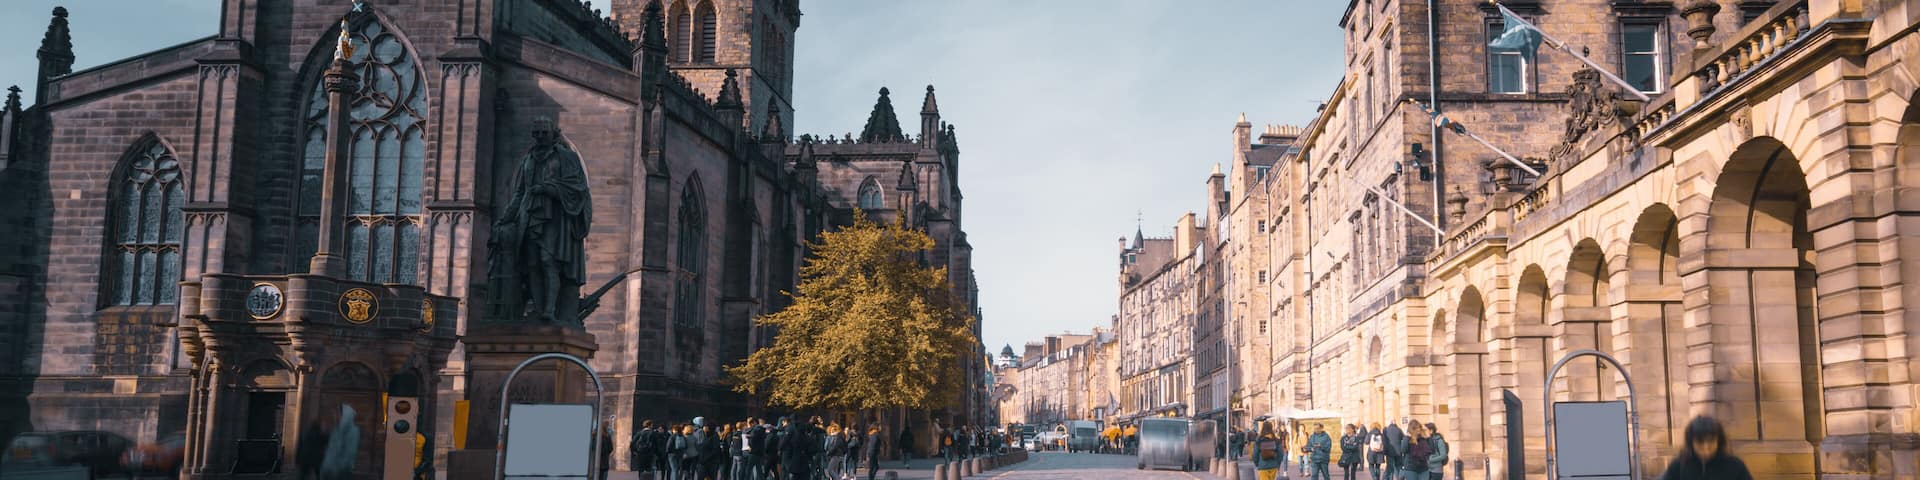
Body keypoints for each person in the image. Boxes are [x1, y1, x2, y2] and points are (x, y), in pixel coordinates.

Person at [1656, 416, 1753, 480]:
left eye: (1711, 442)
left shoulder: (1735, 466)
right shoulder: (1679, 466)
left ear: (1718, 441)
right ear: (1691, 443)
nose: (1706, 448)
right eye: (1700, 443)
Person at [318, 405, 361, 480]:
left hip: (339, 473)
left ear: (345, 415)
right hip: (329, 472)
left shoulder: (352, 431)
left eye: (337, 413)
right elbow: (331, 451)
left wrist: (336, 470)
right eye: (334, 414)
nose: (335, 416)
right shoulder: (336, 430)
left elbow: (349, 453)